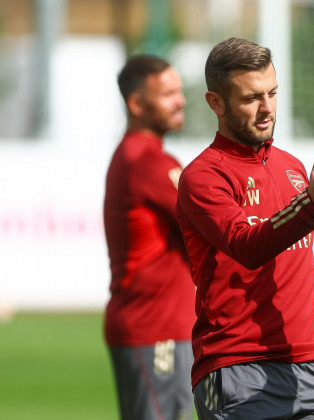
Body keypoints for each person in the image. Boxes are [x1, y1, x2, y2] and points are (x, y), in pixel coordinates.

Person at [175, 37, 314, 420]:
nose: (267, 109)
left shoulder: (292, 168)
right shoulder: (203, 176)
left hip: (309, 369)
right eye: (250, 98)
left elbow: (293, 265)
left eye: (273, 93)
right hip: (237, 368)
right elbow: (247, 247)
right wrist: (309, 206)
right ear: (216, 102)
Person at [104, 55, 195, 420]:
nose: (181, 100)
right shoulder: (149, 163)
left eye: (179, 91)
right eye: (168, 93)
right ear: (137, 104)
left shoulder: (135, 156)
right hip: (156, 327)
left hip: (153, 326)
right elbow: (217, 223)